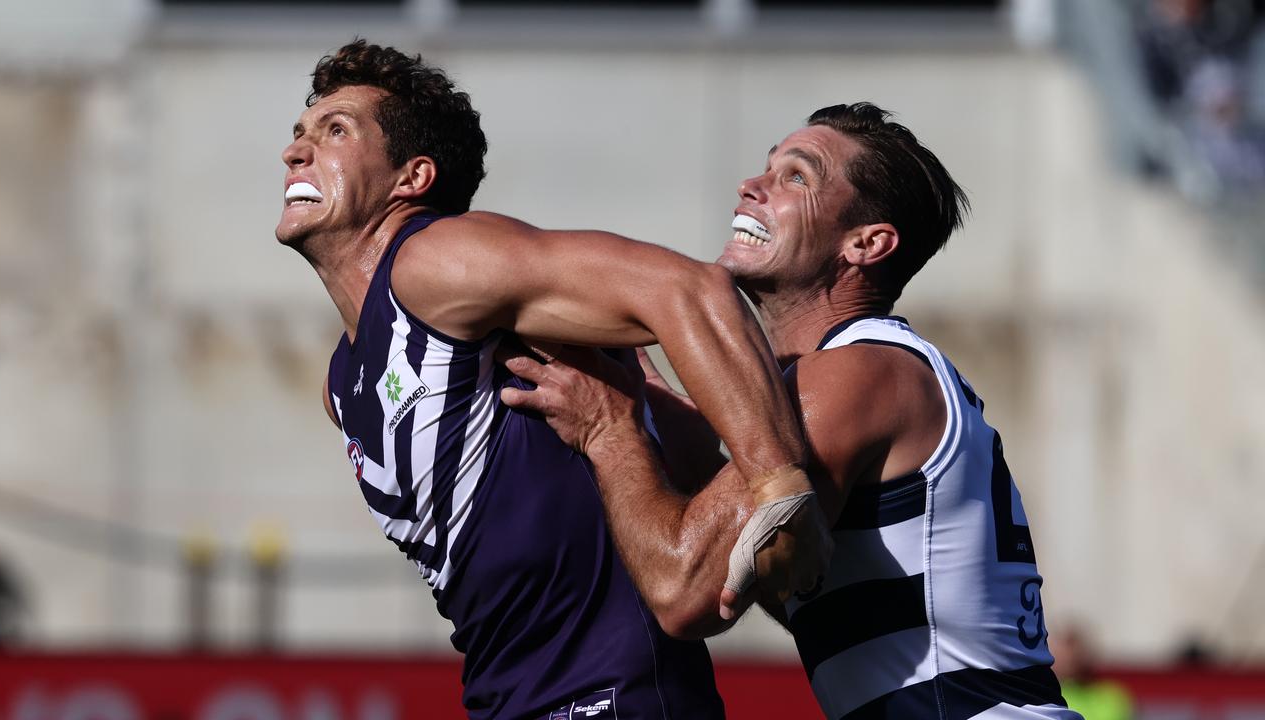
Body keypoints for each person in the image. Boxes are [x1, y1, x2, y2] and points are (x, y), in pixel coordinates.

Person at [276, 40, 831, 719]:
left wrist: (778, 486)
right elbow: (665, 431)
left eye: (335, 132)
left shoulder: (432, 261)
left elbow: (689, 288)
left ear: (410, 178)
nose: (295, 152)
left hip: (609, 695)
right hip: (508, 699)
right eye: (300, 133)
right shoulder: (342, 385)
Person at [502, 103, 1084, 719]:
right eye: (766, 168)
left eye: (796, 177)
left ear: (866, 243)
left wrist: (611, 431)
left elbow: (683, 594)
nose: (751, 187)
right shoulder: (861, 373)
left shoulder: (850, 375)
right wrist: (683, 439)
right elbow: (796, 579)